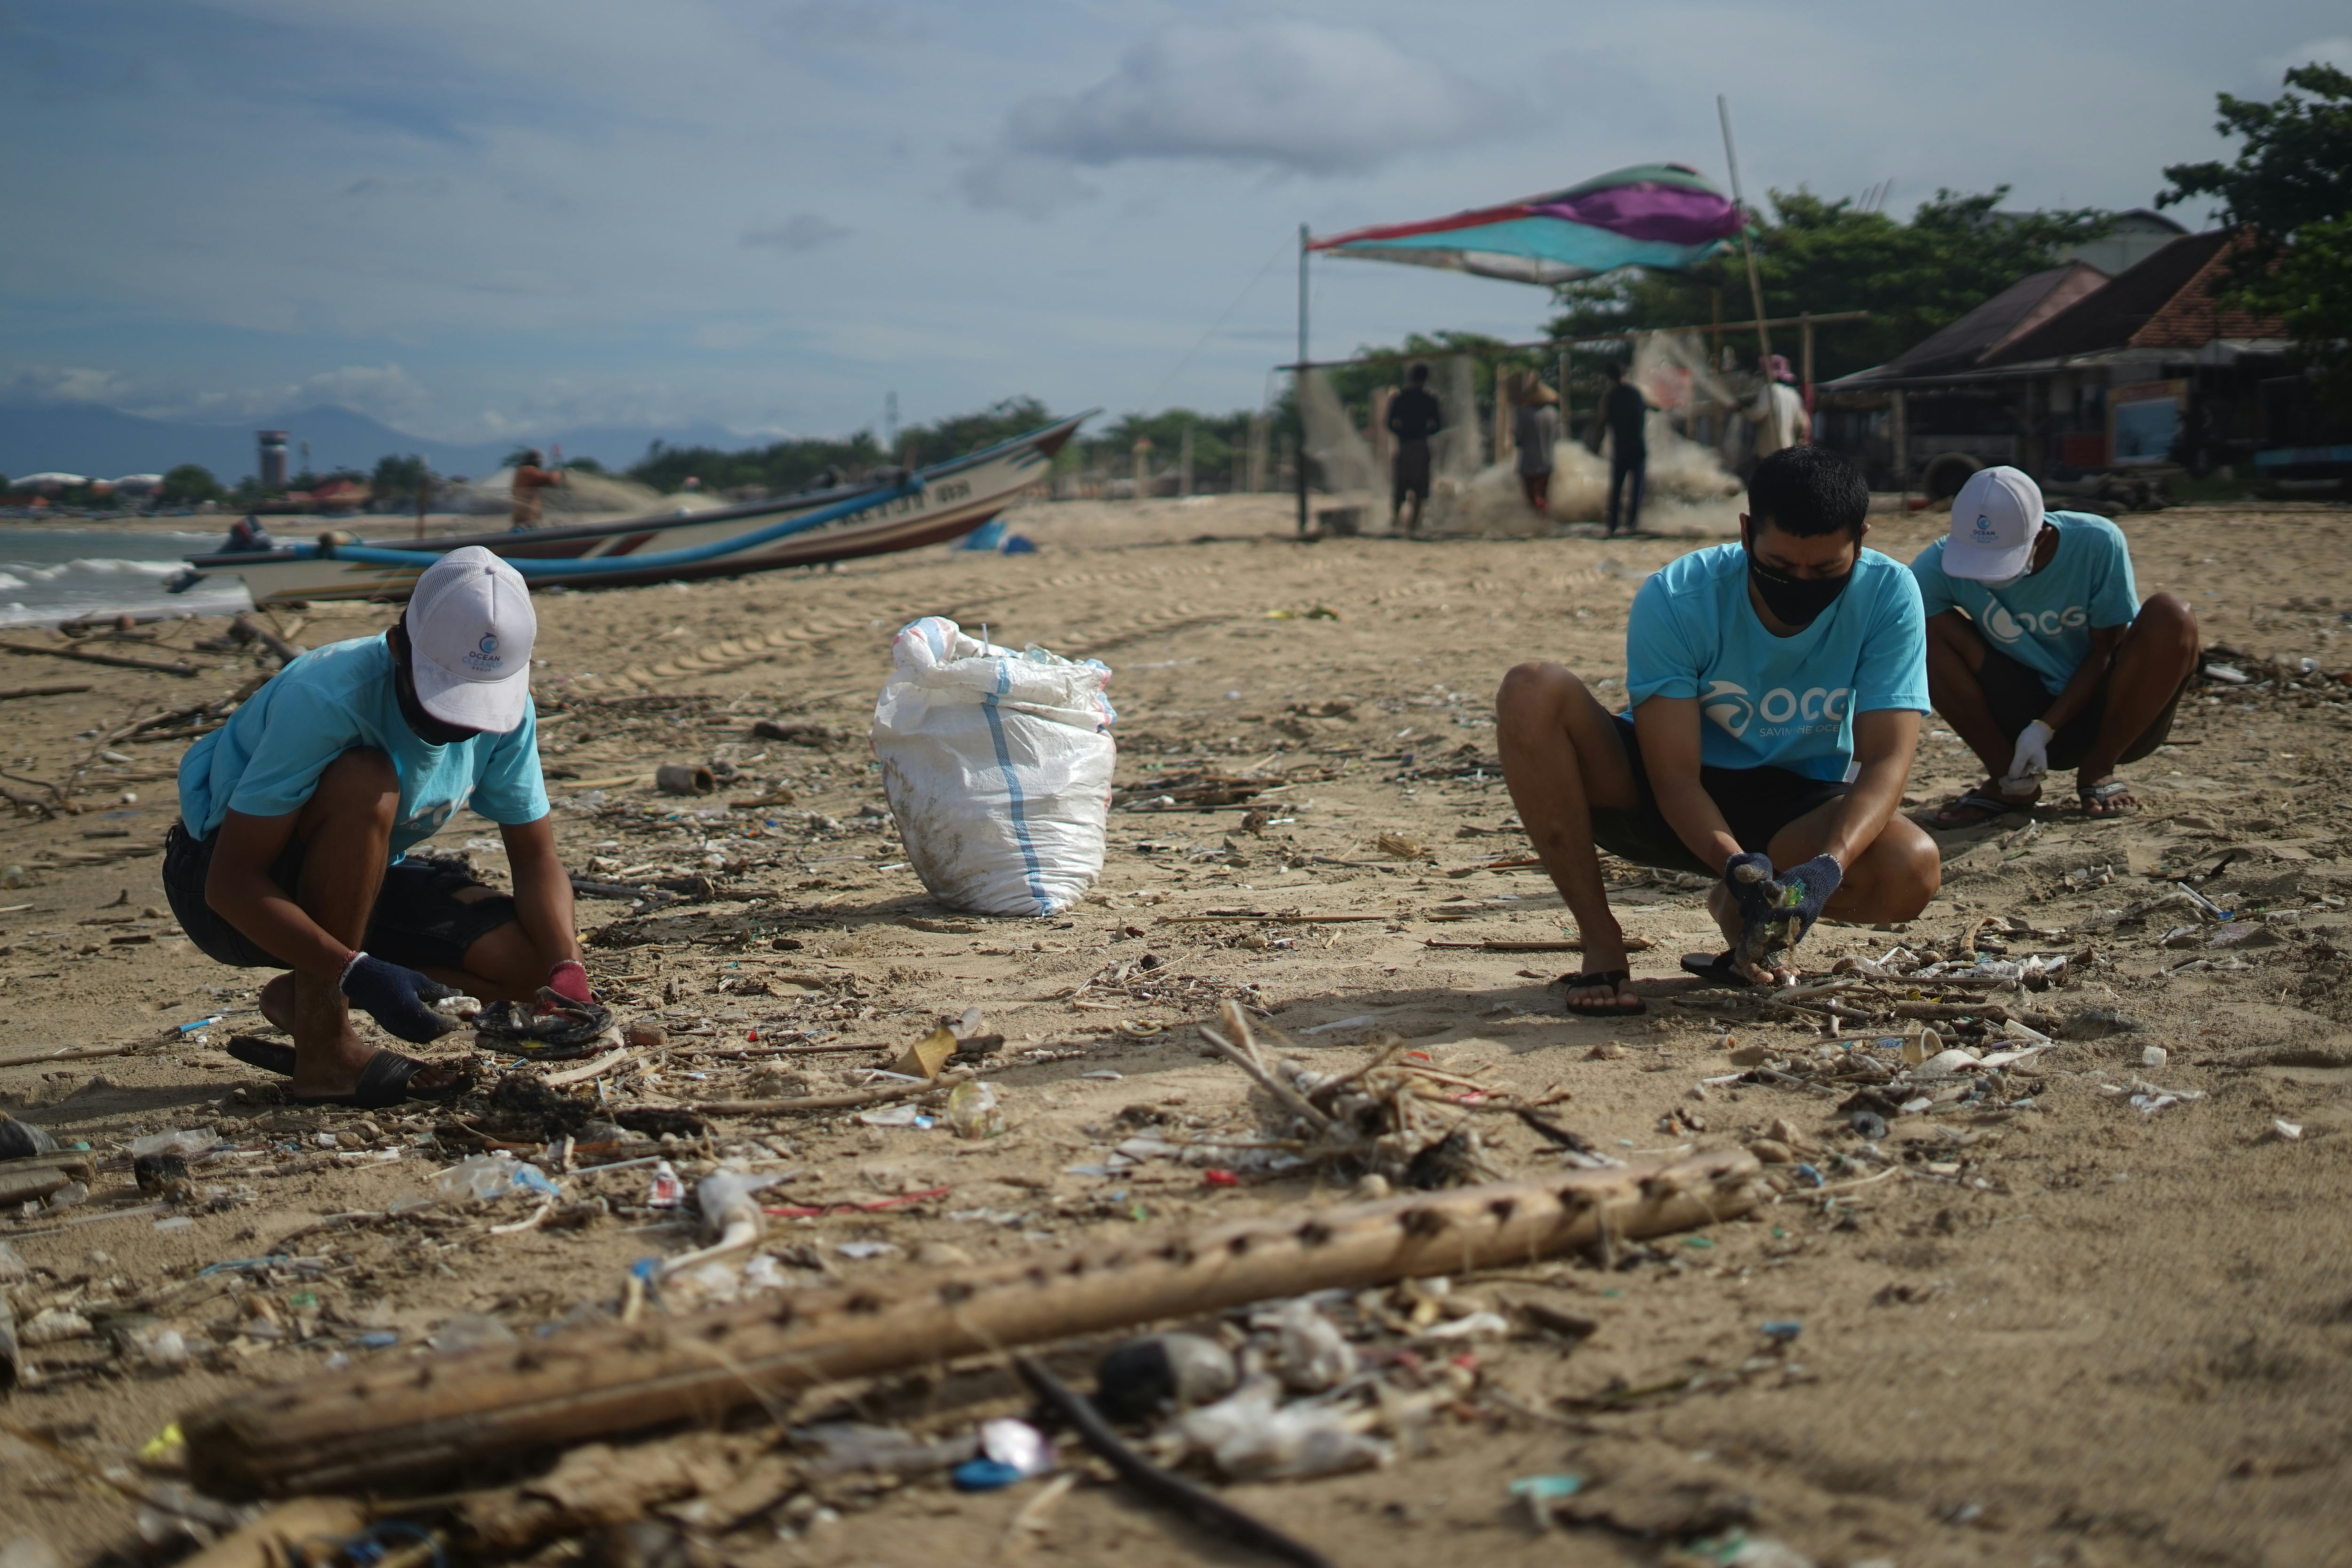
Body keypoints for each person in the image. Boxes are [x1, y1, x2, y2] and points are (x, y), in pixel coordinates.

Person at [1495, 446, 1940, 1015]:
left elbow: (1885, 760)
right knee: (1531, 690)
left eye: (1826, 569)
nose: (1801, 584)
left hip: (1793, 807)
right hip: (1662, 794)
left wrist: (1826, 870)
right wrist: (1734, 866)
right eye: (1779, 567)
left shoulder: (1887, 593)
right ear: (1746, 532)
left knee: (1911, 869)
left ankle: (1744, 913)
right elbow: (1675, 776)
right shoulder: (1679, 597)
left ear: (1861, 539)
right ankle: (1600, 940)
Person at [162, 547, 590, 1106]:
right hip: (229, 887)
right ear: (396, 648)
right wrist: (354, 972)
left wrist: (567, 972)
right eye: (443, 703)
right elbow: (232, 884)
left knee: (527, 968)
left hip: (363, 871)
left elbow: (535, 859)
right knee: (366, 779)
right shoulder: (324, 697)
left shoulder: (511, 709)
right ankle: (327, 1051)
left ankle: (304, 998)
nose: (459, 726)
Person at [1912, 466, 2199, 822]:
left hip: (2113, 714)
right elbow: (1886, 631)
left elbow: (2104, 652)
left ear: (2042, 538)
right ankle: (2010, 780)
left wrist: (2045, 727)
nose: (1986, 576)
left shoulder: (2097, 542)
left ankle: (2098, 770)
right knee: (1916, 627)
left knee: (2173, 614)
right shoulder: (1939, 563)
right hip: (2019, 708)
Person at [1385, 364, 1443, 535]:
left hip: (1405, 445)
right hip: (1420, 444)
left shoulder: (1400, 398)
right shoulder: (1429, 399)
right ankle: (1413, 524)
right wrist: (1423, 432)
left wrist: (1402, 433)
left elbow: (1389, 422)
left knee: (1400, 486)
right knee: (1420, 487)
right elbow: (1438, 424)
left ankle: (1396, 521)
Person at [1601, 361, 1651, 536]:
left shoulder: (1611, 397)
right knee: (1636, 489)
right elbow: (1652, 408)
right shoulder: (1636, 393)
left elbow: (1604, 422)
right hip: (1638, 448)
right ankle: (1632, 524)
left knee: (1617, 489)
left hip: (1620, 448)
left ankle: (1613, 525)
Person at [1745, 354, 1808, 470]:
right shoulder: (1793, 395)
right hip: (1788, 450)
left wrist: (1744, 411)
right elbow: (1803, 424)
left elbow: (1758, 414)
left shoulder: (1769, 390)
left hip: (1768, 451)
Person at [1512, 375, 1561, 514]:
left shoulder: (1523, 414)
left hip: (1529, 463)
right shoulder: (1553, 413)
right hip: (1547, 462)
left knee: (1532, 498)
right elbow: (1557, 437)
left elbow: (1519, 439)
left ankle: (1539, 521)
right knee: (1543, 495)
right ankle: (1543, 521)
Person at [509, 449, 565, 530]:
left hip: (524, 520)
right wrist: (559, 473)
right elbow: (551, 479)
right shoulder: (528, 471)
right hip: (526, 521)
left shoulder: (521, 472)